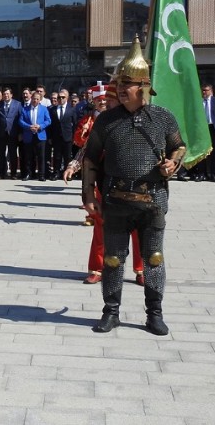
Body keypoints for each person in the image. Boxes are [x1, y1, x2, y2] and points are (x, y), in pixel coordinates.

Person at [82, 36, 185, 336]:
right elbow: (90, 159)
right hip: (115, 201)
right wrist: (88, 194)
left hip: (152, 201)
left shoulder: (162, 118)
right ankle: (110, 312)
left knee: (153, 259)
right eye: (118, 84)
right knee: (113, 260)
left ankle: (154, 313)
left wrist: (173, 163)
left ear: (142, 86)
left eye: (126, 84)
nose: (119, 90)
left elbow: (179, 147)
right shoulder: (106, 121)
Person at [65, 81, 144, 286]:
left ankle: (141, 269)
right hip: (106, 184)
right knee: (101, 227)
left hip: (137, 184)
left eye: (110, 102)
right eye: (104, 102)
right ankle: (97, 269)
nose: (105, 106)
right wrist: (73, 165)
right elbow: (88, 150)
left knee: (139, 230)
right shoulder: (102, 123)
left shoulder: (142, 121)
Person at [19, 91, 51, 181]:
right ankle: (29, 174)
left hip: (40, 135)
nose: (35, 100)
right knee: (28, 156)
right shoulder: (25, 109)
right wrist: (29, 127)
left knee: (41, 156)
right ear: (31, 99)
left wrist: (40, 126)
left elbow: (48, 121)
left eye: (37, 99)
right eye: (34, 99)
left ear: (40, 100)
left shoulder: (44, 109)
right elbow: (20, 121)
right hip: (28, 135)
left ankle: (41, 175)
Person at [0, 87, 22, 179]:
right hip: (1, 133)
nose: (6, 95)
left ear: (11, 95)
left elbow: (20, 118)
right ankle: (0, 173)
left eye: (8, 94)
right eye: (4, 94)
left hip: (13, 133)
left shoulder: (18, 104)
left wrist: (20, 133)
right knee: (0, 154)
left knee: (13, 154)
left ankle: (13, 173)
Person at [197, 83, 215, 182]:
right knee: (202, 152)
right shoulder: (199, 101)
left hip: (213, 128)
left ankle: (213, 174)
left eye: (206, 90)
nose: (204, 92)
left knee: (214, 153)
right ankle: (202, 174)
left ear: (211, 91)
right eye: (202, 90)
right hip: (203, 129)